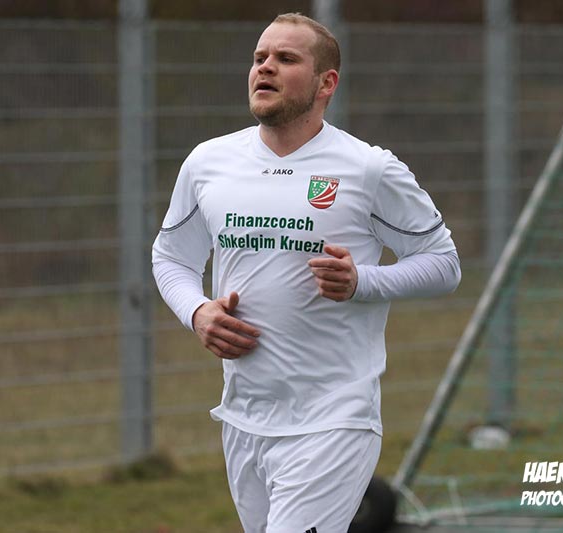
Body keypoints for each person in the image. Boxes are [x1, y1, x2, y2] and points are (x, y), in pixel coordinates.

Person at [152, 12, 460, 533]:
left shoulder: (368, 168)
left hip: (333, 420)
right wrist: (198, 312)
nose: (265, 67)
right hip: (244, 417)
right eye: (259, 57)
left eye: (286, 58)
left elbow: (444, 263)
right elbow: (171, 257)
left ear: (326, 83)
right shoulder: (208, 162)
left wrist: (362, 282)